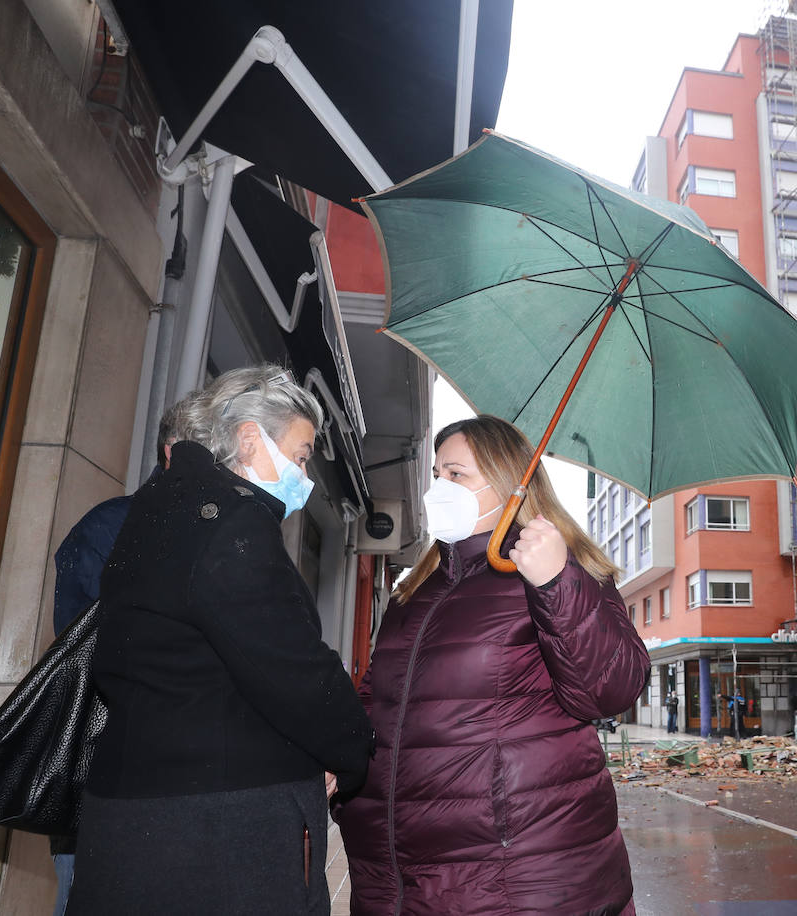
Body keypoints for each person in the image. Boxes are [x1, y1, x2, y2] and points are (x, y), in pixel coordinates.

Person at [69, 365, 373, 915]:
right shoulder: (231, 524)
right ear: (250, 437)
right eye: (301, 455)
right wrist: (351, 749)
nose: (305, 476)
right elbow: (292, 668)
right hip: (214, 826)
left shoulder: (158, 510)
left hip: (132, 807)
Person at [334, 415, 649, 915]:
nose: (439, 488)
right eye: (437, 474)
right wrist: (339, 755)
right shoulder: (416, 589)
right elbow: (379, 696)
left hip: (514, 869)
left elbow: (610, 691)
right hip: (397, 869)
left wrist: (556, 584)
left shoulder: (561, 569)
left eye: (456, 474)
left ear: (508, 485)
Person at [47, 395, 196, 916]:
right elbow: (92, 657)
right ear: (174, 452)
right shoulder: (116, 528)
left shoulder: (206, 534)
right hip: (111, 784)